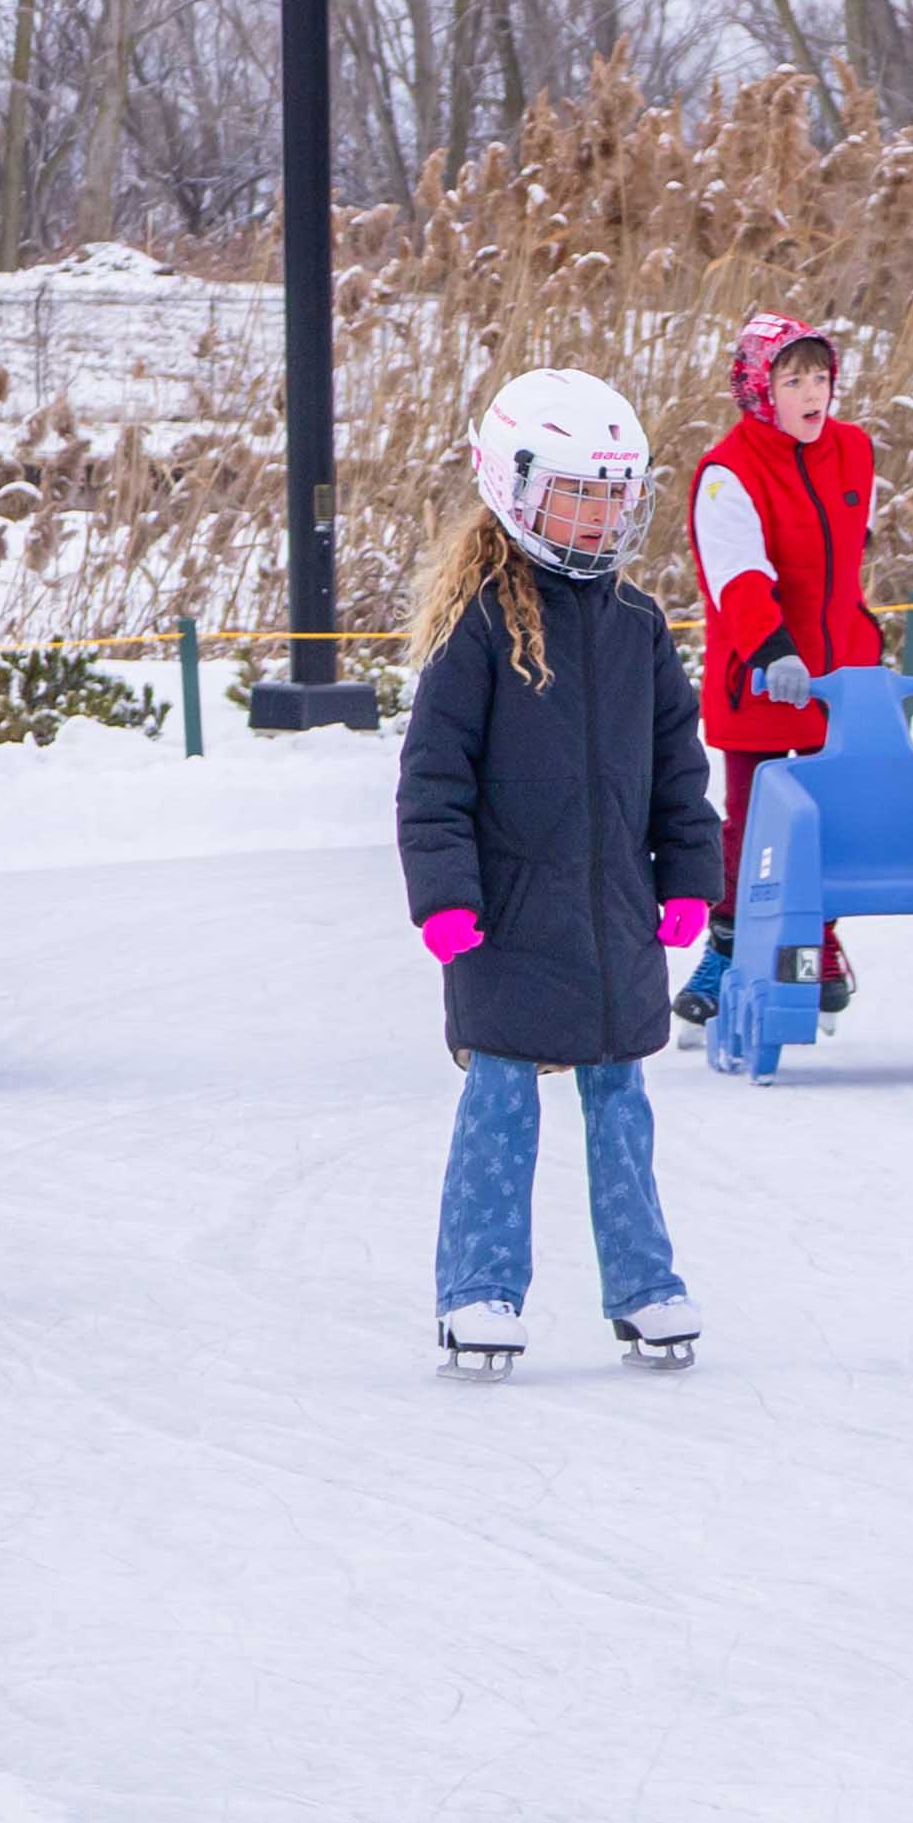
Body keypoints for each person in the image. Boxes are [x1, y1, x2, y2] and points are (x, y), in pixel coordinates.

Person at [397, 371, 722, 1378]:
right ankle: (479, 1291)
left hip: (615, 917)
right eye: (579, 495)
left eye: (614, 497)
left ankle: (645, 1286)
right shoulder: (479, 625)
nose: (600, 517)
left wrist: (688, 876)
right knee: (501, 1105)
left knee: (621, 1105)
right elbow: (433, 779)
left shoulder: (637, 625)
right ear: (519, 490)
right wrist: (446, 897)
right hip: (505, 921)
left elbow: (679, 767)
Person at [675, 309, 886, 1033]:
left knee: (832, 814)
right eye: (792, 381)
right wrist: (773, 651)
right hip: (763, 676)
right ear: (759, 391)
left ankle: (817, 940)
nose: (811, 393)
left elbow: (849, 555)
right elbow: (737, 576)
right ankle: (727, 949)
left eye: (819, 377)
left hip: (839, 679)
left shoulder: (856, 451)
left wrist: (860, 645)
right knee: (752, 821)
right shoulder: (727, 472)